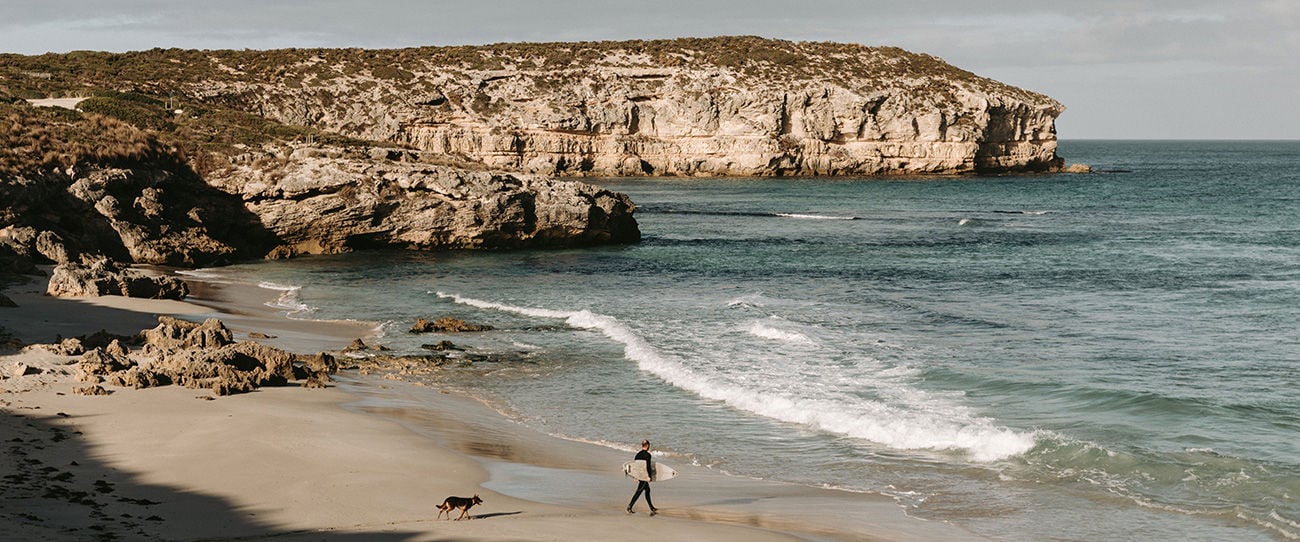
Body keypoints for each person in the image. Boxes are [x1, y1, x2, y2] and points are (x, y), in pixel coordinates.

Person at [627, 439, 658, 515]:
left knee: (647, 490)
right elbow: (648, 467)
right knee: (639, 492)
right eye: (649, 446)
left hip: (640, 475)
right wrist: (649, 477)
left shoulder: (637, 455)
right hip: (644, 477)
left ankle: (651, 507)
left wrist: (635, 477)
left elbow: (635, 467)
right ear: (647, 446)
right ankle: (629, 506)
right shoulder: (648, 455)